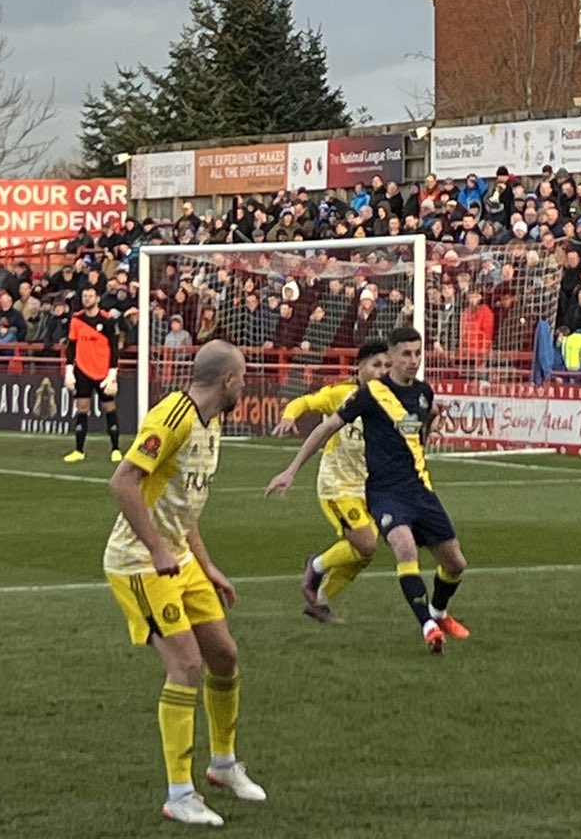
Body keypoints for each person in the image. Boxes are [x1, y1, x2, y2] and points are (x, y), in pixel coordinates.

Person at [104, 340, 264, 827]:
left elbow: (182, 504)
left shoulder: (212, 422)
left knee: (225, 655)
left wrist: (206, 564)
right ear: (227, 381)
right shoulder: (170, 418)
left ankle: (222, 765)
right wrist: (155, 549)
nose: (246, 383)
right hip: (138, 562)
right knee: (186, 666)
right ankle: (179, 793)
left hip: (179, 558)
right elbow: (123, 482)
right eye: (243, 376)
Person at [266, 324, 470, 653]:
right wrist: (291, 470)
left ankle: (438, 613)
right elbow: (323, 424)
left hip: (419, 489)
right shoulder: (365, 395)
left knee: (455, 564)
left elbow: (417, 437)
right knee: (399, 549)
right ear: (390, 357)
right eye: (405, 354)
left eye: (418, 354)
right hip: (374, 490)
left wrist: (430, 420)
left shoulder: (423, 393)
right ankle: (427, 627)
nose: (413, 360)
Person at [275, 337, 391, 624]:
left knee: (363, 554)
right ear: (360, 367)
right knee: (367, 544)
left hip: (370, 487)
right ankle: (315, 567)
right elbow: (303, 401)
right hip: (336, 484)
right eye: (376, 365)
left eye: (387, 365)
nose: (382, 371)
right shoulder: (342, 395)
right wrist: (290, 416)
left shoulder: (392, 399)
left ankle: (320, 600)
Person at [63, 286, 124, 464]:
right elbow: (71, 346)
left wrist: (112, 373)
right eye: (84, 296)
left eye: (90, 296)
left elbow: (114, 348)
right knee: (82, 407)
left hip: (103, 371)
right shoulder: (76, 319)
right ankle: (79, 450)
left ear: (97, 298)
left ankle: (115, 449)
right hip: (82, 370)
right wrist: (69, 370)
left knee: (109, 408)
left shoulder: (107, 320)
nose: (87, 299)